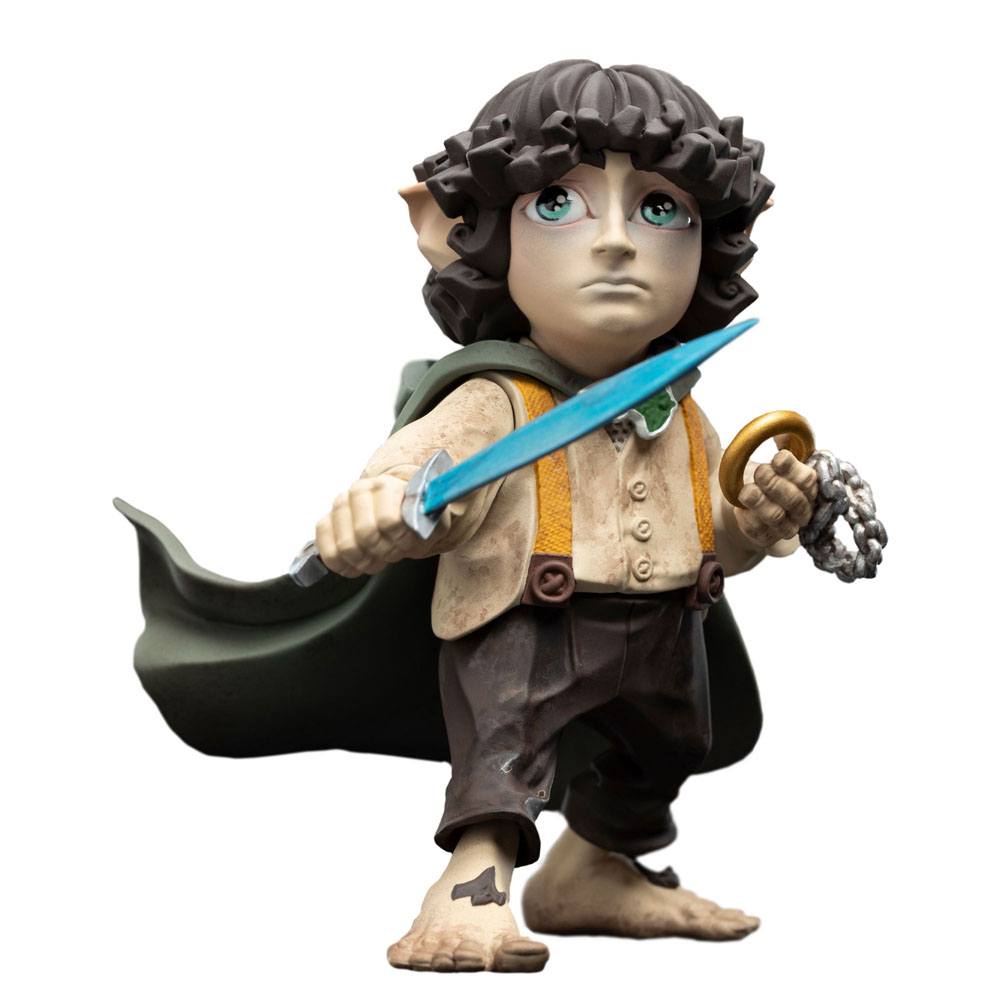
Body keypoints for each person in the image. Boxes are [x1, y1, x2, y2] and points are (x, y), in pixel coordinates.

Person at [311, 60, 818, 973]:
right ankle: (471, 886)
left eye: (661, 209)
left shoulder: (683, 409)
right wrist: (384, 508)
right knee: (503, 754)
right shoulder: (493, 399)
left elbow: (720, 531)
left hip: (665, 627)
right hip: (527, 623)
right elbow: (423, 473)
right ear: (456, 230)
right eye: (559, 203)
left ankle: (594, 867)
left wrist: (757, 517)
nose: (617, 242)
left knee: (667, 747)